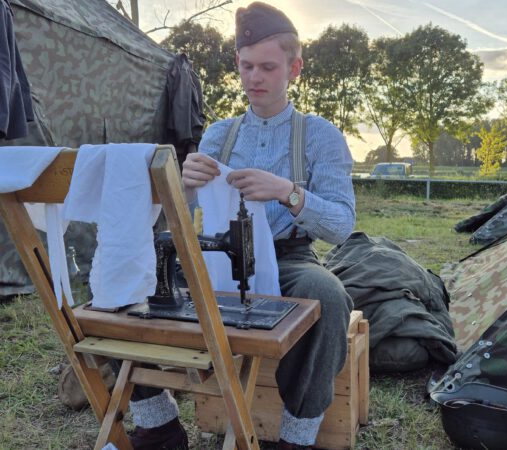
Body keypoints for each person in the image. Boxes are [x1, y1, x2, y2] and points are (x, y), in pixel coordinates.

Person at [127, 2, 355, 449]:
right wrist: (184, 185)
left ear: (295, 69)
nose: (255, 78)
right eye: (247, 66)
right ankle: (157, 425)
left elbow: (342, 225)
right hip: (216, 253)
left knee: (327, 294)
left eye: (268, 67)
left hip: (289, 258)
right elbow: (185, 210)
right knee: (131, 281)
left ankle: (295, 436)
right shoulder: (218, 135)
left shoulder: (319, 135)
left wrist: (288, 192)